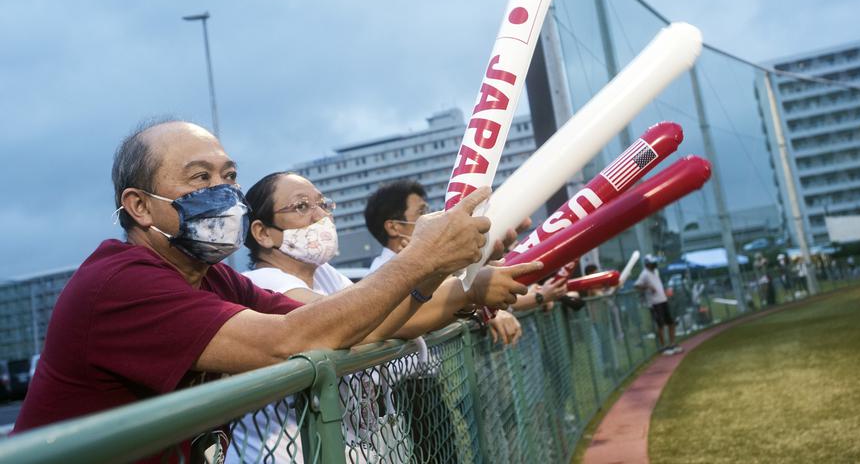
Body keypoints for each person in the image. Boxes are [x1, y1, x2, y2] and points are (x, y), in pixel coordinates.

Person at [13, 120, 500, 454]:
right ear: (139, 207)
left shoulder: (211, 277)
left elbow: (347, 329)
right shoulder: (121, 283)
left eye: (229, 177)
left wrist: (432, 269)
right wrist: (420, 258)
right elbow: (290, 341)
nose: (224, 194)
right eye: (199, 179)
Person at [241, 173, 535, 341]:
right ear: (263, 233)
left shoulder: (326, 274)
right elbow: (356, 322)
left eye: (323, 204)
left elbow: (385, 314)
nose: (321, 216)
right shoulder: (263, 282)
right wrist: (467, 288)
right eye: (302, 207)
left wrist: (463, 278)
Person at [364, 180, 527, 345]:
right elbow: (406, 319)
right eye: (422, 212)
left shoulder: (425, 268)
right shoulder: (381, 278)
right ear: (394, 227)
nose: (431, 218)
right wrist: (473, 296)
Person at [634, 254, 681, 355]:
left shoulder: (655, 271)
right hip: (654, 303)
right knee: (660, 325)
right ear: (647, 264)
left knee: (671, 322)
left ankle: (672, 344)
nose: (655, 264)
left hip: (663, 300)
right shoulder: (644, 274)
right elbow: (637, 286)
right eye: (652, 263)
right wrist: (648, 287)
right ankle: (663, 347)